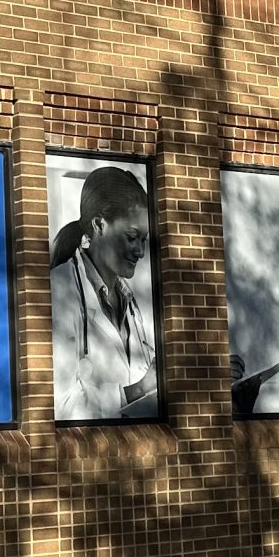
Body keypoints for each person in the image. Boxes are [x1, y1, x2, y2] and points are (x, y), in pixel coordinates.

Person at [51, 166, 158, 419]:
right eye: (132, 237)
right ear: (99, 224)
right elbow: (61, 406)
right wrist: (140, 389)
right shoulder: (59, 291)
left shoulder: (129, 301)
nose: (140, 251)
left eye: (144, 240)